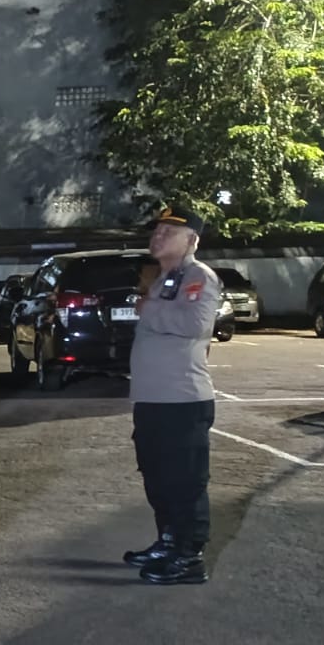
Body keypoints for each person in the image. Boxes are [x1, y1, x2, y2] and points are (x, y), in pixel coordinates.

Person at [122, 205, 221, 585]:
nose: (157, 237)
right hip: (154, 399)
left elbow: (195, 324)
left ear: (191, 240)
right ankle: (167, 542)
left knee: (184, 481)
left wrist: (147, 309)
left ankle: (189, 556)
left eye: (168, 232)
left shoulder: (198, 276)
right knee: (158, 477)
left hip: (182, 400)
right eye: (157, 231)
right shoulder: (166, 278)